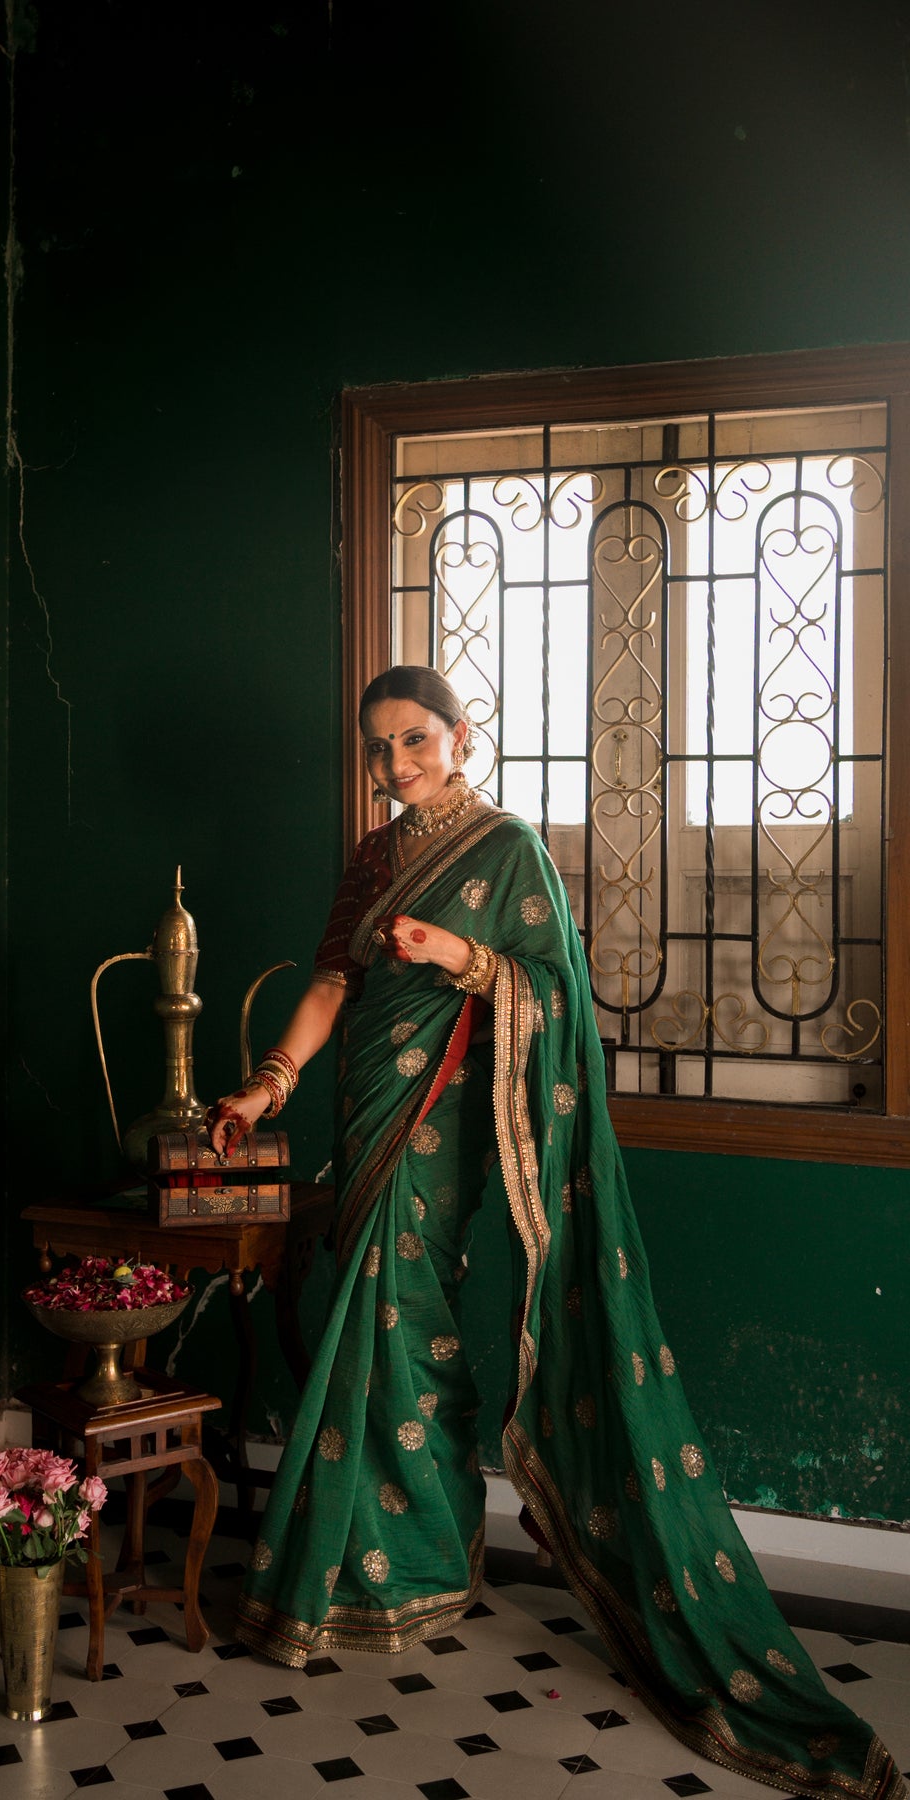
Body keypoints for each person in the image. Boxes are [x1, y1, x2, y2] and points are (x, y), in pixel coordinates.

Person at [205, 665, 904, 1800]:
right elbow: (334, 984)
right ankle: (380, 1571)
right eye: (379, 749)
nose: (397, 767)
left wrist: (462, 960)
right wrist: (268, 1086)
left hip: (445, 1126)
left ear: (463, 737)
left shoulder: (510, 850)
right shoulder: (373, 858)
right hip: (369, 1106)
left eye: (417, 741)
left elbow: (556, 992)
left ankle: (420, 1559)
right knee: (366, 1313)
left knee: (403, 1314)